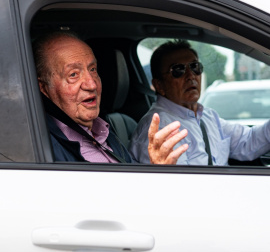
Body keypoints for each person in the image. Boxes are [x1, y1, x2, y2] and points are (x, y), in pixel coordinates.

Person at [32, 32, 188, 164]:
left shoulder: (105, 132)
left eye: (92, 69)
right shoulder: (42, 148)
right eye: (73, 74)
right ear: (44, 88)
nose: (92, 84)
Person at [129, 40, 270, 165]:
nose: (191, 76)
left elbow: (247, 142)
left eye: (195, 67)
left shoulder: (207, 116)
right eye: (178, 70)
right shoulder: (159, 129)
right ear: (159, 85)